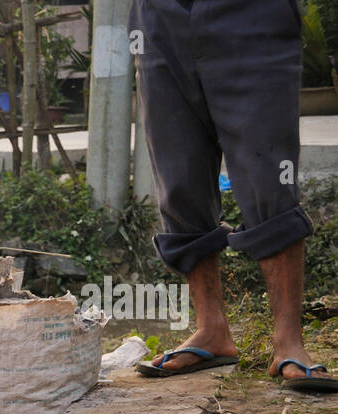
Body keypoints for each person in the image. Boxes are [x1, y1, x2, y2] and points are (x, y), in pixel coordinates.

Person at [131, 0, 335, 393]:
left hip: (251, 13)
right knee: (179, 177)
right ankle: (212, 331)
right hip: (159, 17)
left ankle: (289, 342)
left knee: (267, 172)